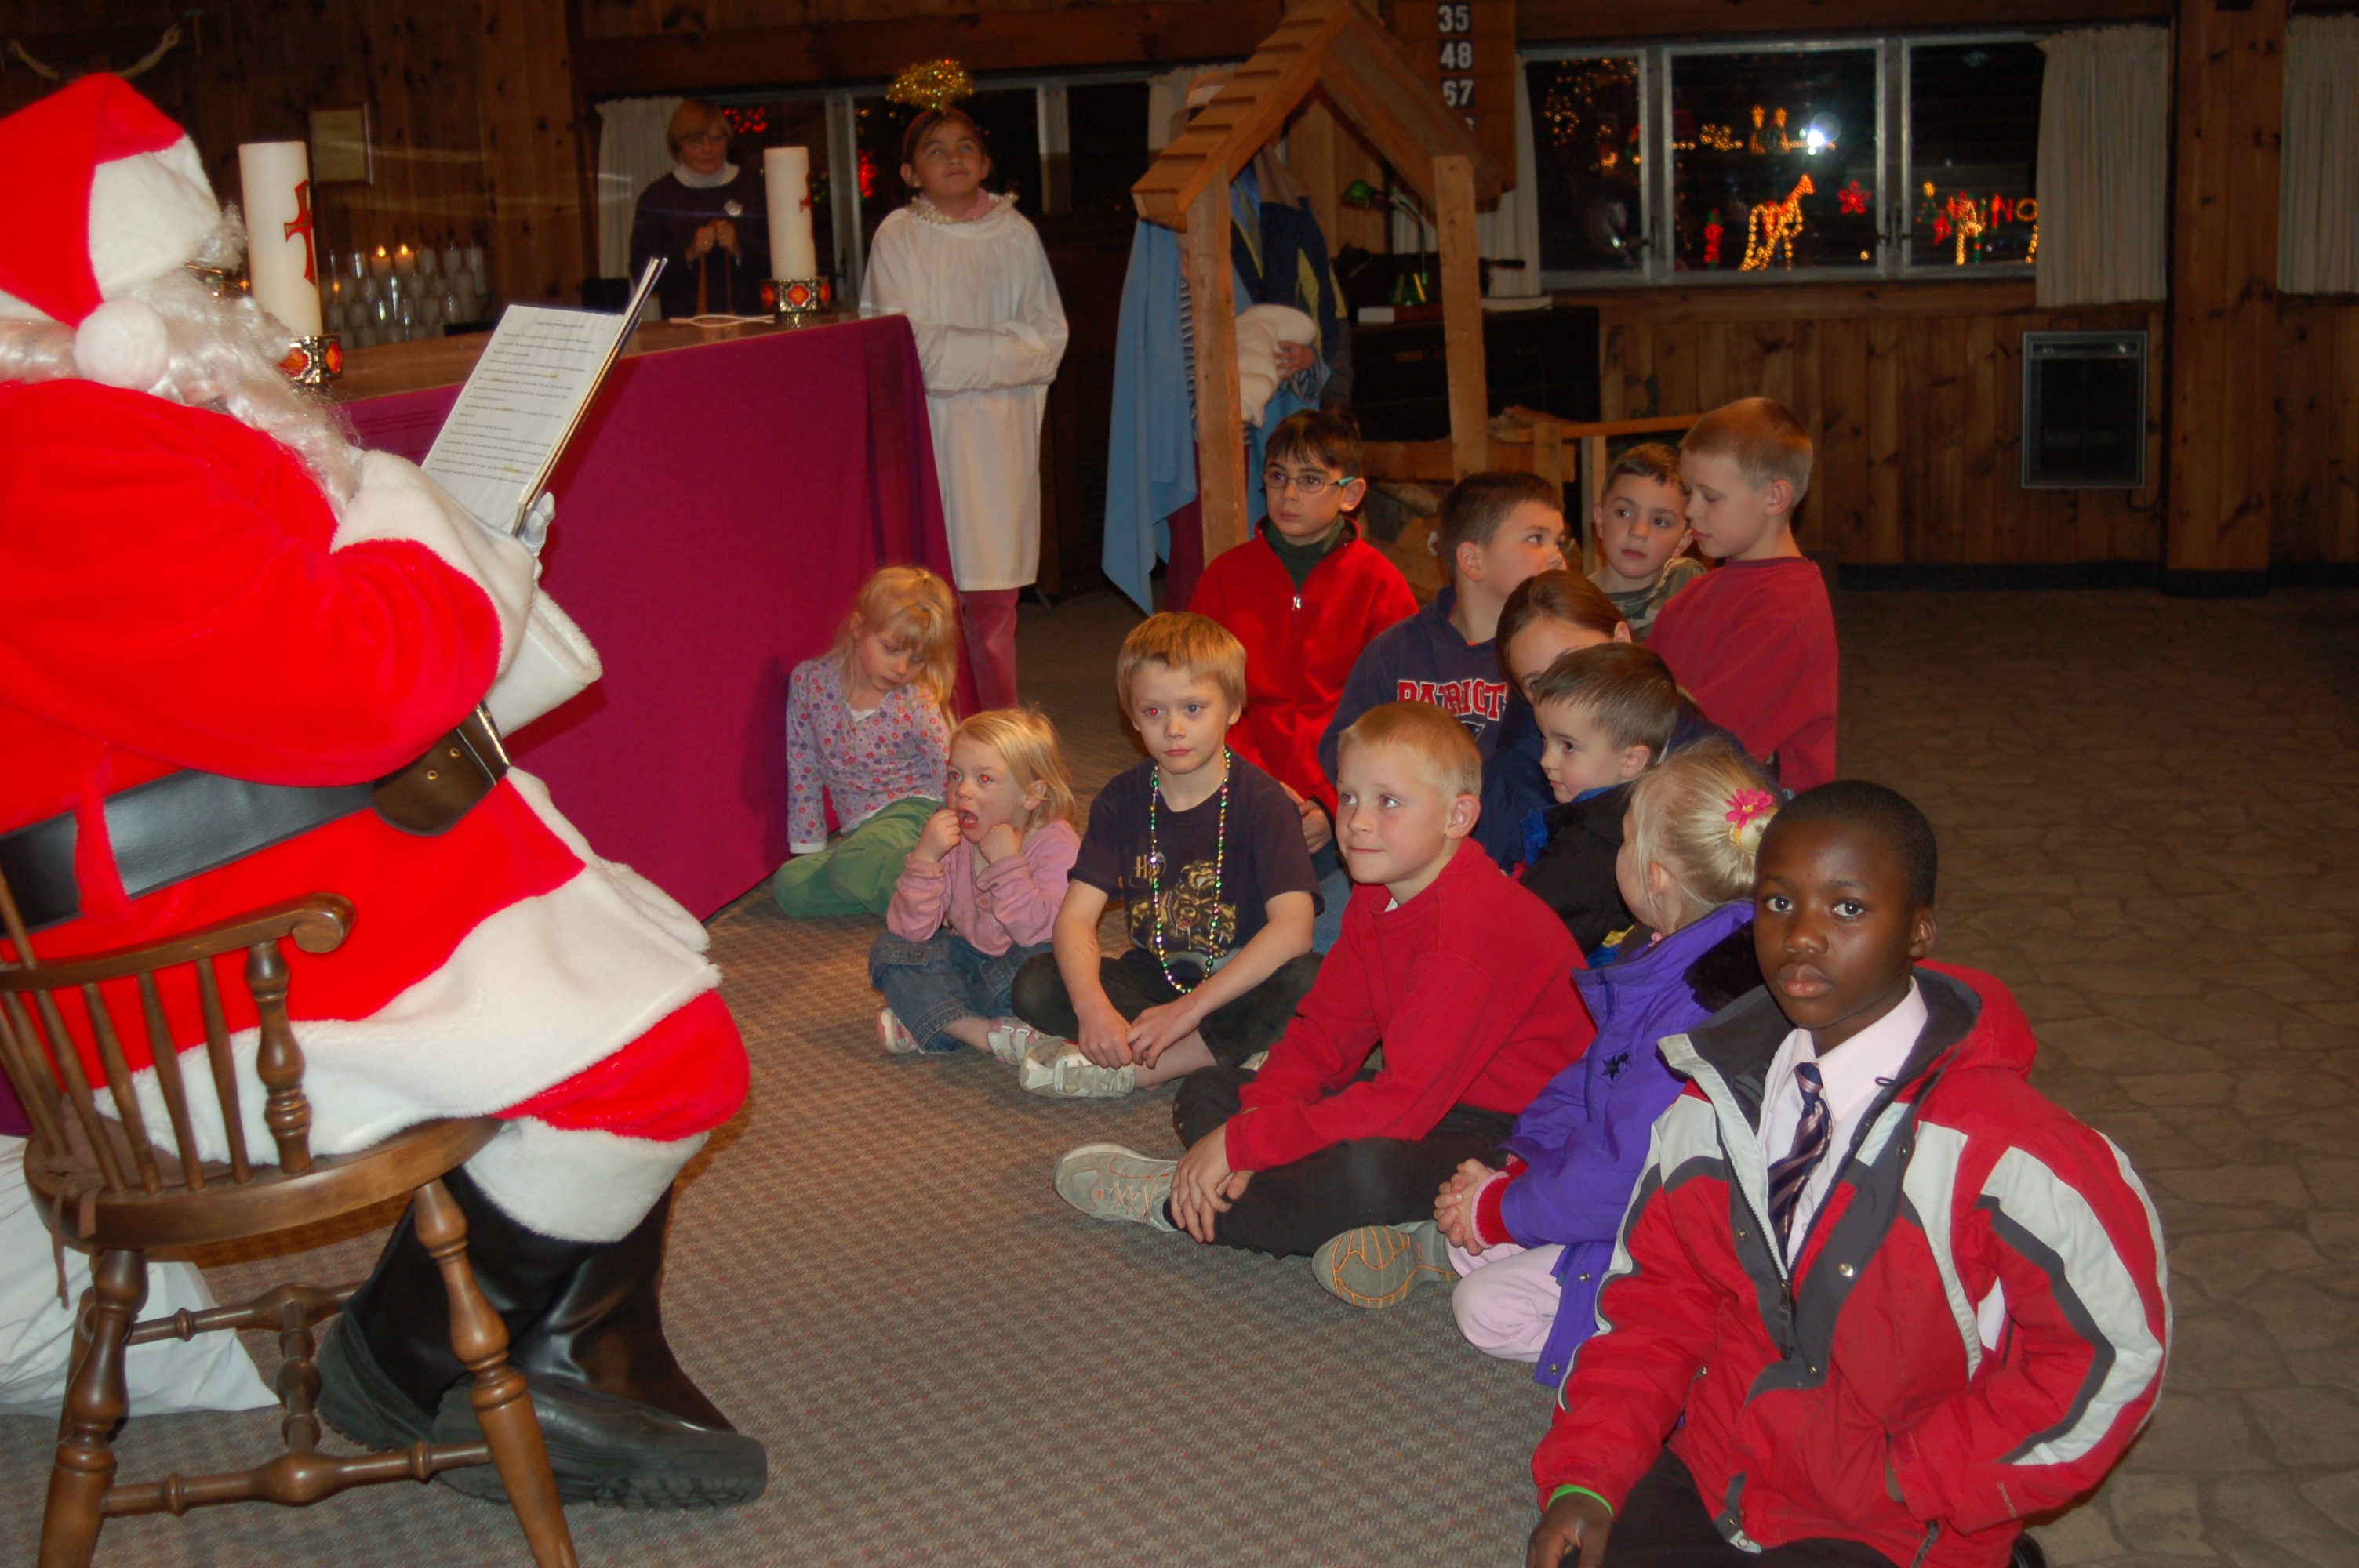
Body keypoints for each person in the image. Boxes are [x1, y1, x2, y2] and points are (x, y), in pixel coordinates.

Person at [0, 77, 760, 1507]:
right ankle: (412, 1352)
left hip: (271, 883)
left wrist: (445, 538)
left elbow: (278, 670)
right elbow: (360, 686)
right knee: (662, 1052)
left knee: (647, 974)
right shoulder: (55, 463)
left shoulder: (105, 436)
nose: (223, 306)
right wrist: (412, 512)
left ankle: (564, 1349)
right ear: (103, 314)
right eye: (191, 280)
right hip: (206, 969)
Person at [1525, 782, 2169, 1568]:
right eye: (1777, 902)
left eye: (1848, 908)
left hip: (1893, 1519)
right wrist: (1589, 1475)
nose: (1801, 936)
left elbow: (2109, 1355)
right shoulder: (1708, 1106)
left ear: (1918, 929)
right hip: (1722, 1474)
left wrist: (1912, 1477)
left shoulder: (2013, 1152)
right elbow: (1654, 1306)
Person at [1049, 702, 1590, 1258]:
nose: (1356, 821)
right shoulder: (1377, 892)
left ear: (1457, 817)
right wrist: (1255, 1124)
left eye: (1388, 802)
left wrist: (1243, 1146)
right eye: (1348, 796)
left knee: (1361, 1177)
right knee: (1210, 1093)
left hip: (1521, 1140)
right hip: (1435, 1096)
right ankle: (1398, 1229)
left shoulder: (1469, 934)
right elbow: (1325, 1034)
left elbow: (1402, 1107)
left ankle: (1173, 1201)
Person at [1308, 749, 1770, 1385]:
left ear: (1656, 877)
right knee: (1486, 1223)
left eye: (1623, 841)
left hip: (1677, 1236)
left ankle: (1679, 1356)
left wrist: (1502, 1208)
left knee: (1484, 1308)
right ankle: (1473, 1238)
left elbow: (1622, 1174)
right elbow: (1589, 1079)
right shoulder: (1666, 953)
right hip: (1621, 1194)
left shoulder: (1701, 1005)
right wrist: (1521, 1161)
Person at [1006, 613, 1321, 1098]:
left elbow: (1294, 929)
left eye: (1193, 708)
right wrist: (1093, 1010)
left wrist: (1189, 1011)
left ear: (1233, 708)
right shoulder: (1120, 800)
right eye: (1153, 711)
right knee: (1036, 981)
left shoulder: (1264, 803)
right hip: (1154, 980)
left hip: (1241, 982)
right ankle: (1228, 1050)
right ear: (1132, 717)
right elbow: (1075, 919)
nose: (1173, 728)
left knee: (1311, 979)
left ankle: (1151, 1066)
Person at [860, 101, 1069, 710]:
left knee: (996, 604)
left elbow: (1048, 341)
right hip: (934, 434)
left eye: (964, 147)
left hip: (1003, 435)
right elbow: (912, 350)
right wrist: (1003, 348)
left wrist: (966, 353)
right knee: (931, 597)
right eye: (936, 150)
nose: (953, 158)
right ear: (909, 173)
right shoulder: (898, 237)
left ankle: (998, 728)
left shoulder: (1016, 233)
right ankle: (931, 727)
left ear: (985, 162)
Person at [1188, 407, 1416, 951]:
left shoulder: (1381, 585)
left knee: (1344, 919)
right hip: (1240, 786)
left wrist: (1331, 802)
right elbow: (1197, 698)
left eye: (1311, 480)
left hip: (1341, 802)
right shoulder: (1224, 578)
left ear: (1350, 493)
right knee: (1196, 920)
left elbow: (1396, 718)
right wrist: (1261, 790)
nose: (1289, 495)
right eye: (1277, 477)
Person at [1478, 571, 1752, 871]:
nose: (1560, 689)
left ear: (1621, 639)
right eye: (1537, 683)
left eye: (1574, 663)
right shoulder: (1508, 784)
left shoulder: (1713, 758)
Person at [1319, 470, 1568, 789]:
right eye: (1536, 539)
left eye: (1558, 542)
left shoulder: (1557, 654)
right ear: (1472, 561)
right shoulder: (1394, 653)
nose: (1557, 556)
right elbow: (1341, 752)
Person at [1648, 397, 1838, 791]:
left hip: (1760, 810)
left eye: (1710, 497)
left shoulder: (1788, 607)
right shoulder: (1697, 591)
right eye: (1689, 492)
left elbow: (1710, 738)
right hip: (1683, 777)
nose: (1691, 510)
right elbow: (1641, 686)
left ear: (1775, 498)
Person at [869, 707, 1079, 1059]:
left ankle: (934, 1019)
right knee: (889, 949)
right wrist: (925, 859)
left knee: (1051, 963)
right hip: (967, 962)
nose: (962, 791)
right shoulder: (954, 838)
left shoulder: (1057, 844)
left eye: (984, 779)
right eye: (955, 775)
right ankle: (981, 1034)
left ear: (1032, 794)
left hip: (1022, 971)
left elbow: (1041, 933)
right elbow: (911, 931)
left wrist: (1008, 864)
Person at [772, 564, 959, 920]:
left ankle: (936, 902)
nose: (902, 669)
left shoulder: (916, 700)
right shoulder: (810, 684)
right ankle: (931, 884)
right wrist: (810, 847)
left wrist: (960, 831)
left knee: (850, 864)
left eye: (917, 659)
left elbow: (948, 768)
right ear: (858, 628)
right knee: (791, 884)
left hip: (915, 813)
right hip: (862, 834)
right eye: (891, 649)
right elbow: (803, 767)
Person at [1515, 643, 1682, 954]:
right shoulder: (1644, 812)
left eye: (1568, 746)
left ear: (1631, 761)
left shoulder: (1592, 846)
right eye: (1544, 740)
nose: (1546, 760)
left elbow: (1523, 933)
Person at [627, 99, 771, 321]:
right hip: (683, 329)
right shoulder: (657, 198)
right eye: (695, 141)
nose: (707, 149)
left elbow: (780, 263)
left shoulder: (754, 188)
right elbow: (642, 277)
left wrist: (740, 248)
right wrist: (689, 254)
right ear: (678, 146)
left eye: (716, 139)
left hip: (751, 324)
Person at [1586, 443, 1704, 640]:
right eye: (1623, 513)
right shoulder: (1576, 605)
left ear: (1682, 542)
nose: (1639, 532)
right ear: (1600, 520)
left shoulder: (1689, 583)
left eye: (1659, 522)